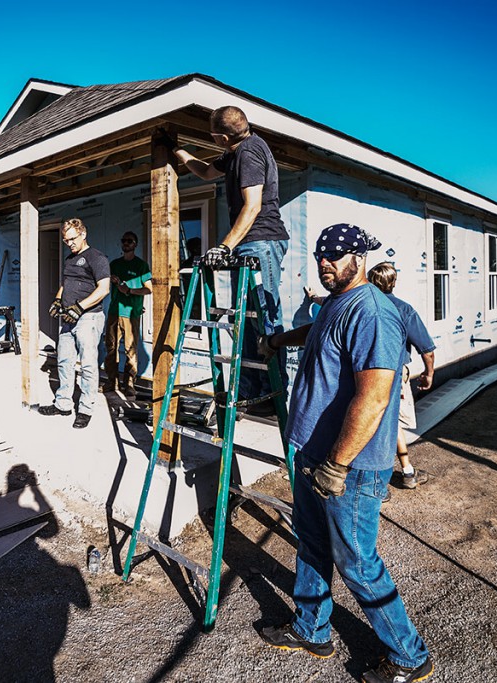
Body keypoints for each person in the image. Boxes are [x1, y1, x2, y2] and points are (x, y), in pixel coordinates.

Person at [257, 224, 433, 683]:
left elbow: (374, 397)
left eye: (336, 257)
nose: (326, 264)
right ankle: (311, 628)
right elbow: (316, 331)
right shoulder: (337, 302)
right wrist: (277, 341)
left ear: (360, 258)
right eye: (321, 256)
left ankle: (410, 658)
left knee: (357, 562)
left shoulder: (373, 311)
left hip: (348, 466)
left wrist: (337, 464)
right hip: (314, 454)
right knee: (312, 544)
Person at [161, 106, 289, 408]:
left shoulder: (250, 152)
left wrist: (224, 246)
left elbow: (253, 205)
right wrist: (177, 151)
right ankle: (249, 390)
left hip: (262, 240)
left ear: (220, 137)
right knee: (244, 320)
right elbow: (206, 172)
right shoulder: (234, 154)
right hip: (250, 242)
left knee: (266, 318)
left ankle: (272, 393)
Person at [368, 262, 435, 491]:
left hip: (362, 376)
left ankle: (390, 477)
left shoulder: (360, 306)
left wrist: (315, 298)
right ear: (393, 283)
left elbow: (329, 304)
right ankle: (391, 478)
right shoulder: (403, 309)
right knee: (390, 423)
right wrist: (428, 374)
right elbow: (427, 350)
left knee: (373, 422)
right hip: (393, 376)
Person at [38, 219, 111, 429]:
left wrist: (79, 307)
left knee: (88, 365)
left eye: (72, 239)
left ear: (83, 234)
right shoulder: (70, 259)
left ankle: (86, 409)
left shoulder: (97, 258)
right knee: (64, 361)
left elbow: (103, 288)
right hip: (68, 318)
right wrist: (58, 300)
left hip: (88, 318)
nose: (69, 243)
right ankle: (63, 404)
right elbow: (66, 283)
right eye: (66, 240)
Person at [105, 231, 152, 395]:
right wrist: (110, 280)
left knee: (130, 349)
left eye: (129, 241)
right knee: (111, 348)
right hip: (114, 311)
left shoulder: (141, 265)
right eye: (123, 240)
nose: (126, 243)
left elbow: (148, 289)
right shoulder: (115, 264)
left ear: (135, 244)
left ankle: (129, 384)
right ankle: (111, 383)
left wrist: (130, 290)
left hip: (131, 314)